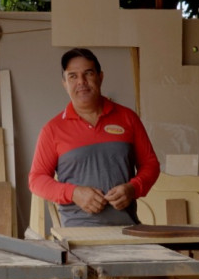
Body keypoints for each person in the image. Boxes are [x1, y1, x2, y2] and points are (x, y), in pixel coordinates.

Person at [29, 48, 159, 227]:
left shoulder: (128, 118)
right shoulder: (53, 129)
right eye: (73, 76)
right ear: (65, 84)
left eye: (88, 73)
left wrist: (133, 188)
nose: (81, 82)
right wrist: (74, 193)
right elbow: (37, 179)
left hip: (127, 231)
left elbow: (150, 164)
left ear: (100, 77)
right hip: (78, 236)